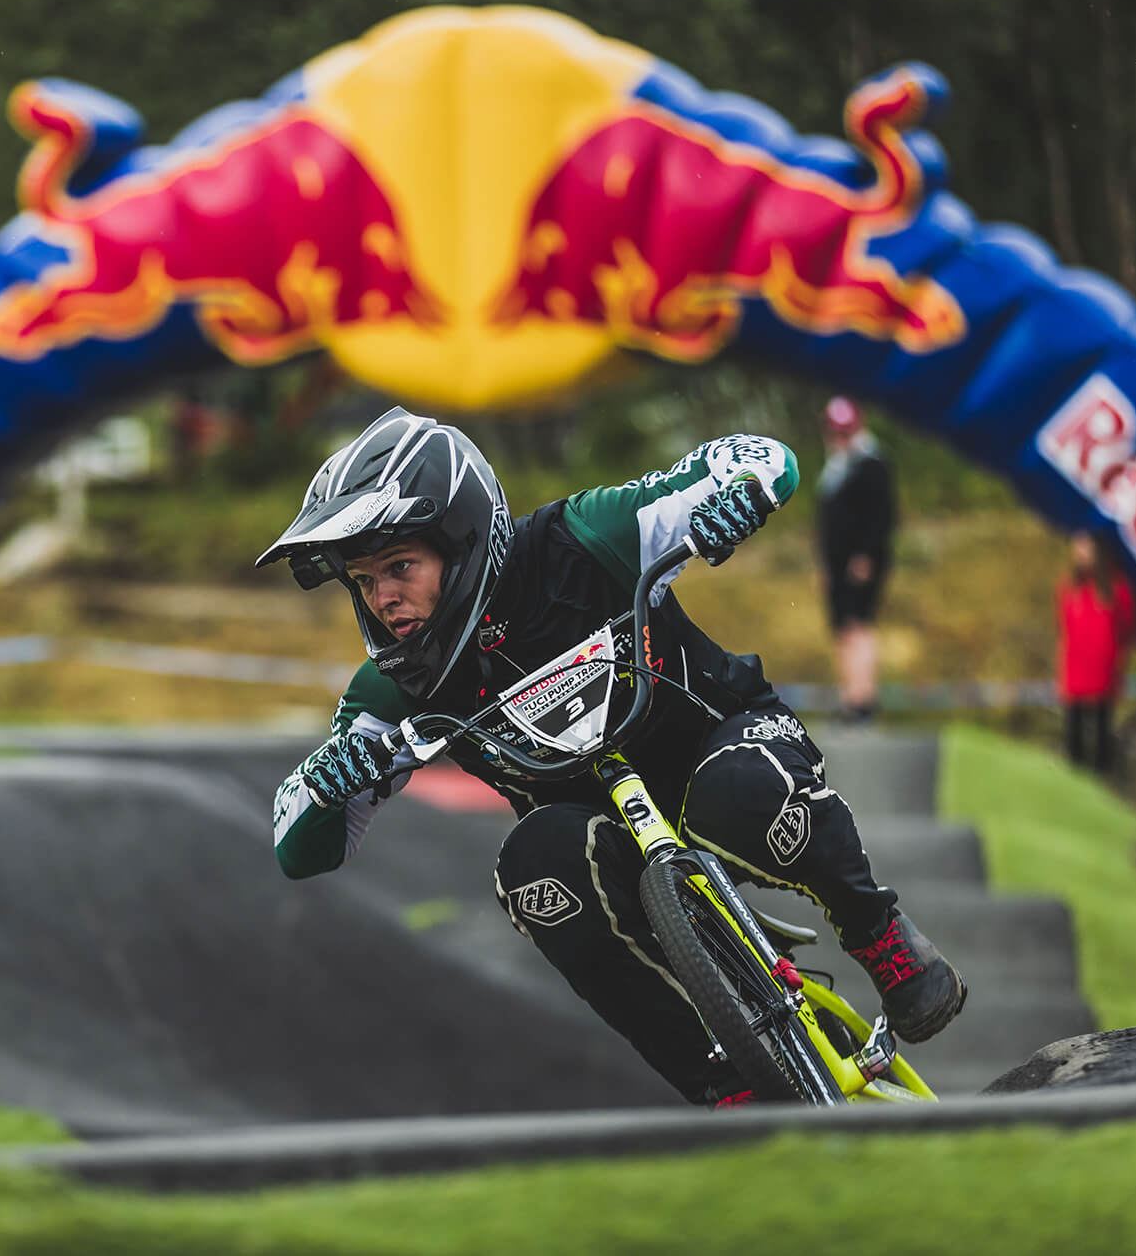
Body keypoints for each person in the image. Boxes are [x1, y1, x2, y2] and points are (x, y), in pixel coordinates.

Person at [255, 407, 967, 1108]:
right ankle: (724, 1087)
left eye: (400, 566)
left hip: (723, 743)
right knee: (531, 870)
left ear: (461, 538)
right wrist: (325, 784)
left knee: (735, 793)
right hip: (607, 846)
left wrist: (740, 501)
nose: (383, 598)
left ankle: (878, 935)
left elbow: (762, 456)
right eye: (365, 579)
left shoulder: (584, 537)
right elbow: (297, 846)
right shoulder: (390, 686)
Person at [814, 397, 897, 724]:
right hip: (836, 564)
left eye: (844, 432)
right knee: (841, 629)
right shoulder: (835, 468)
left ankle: (863, 699)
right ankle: (851, 695)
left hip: (860, 562)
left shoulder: (872, 464)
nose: (839, 439)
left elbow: (881, 517)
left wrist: (865, 556)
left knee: (857, 625)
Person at [1056, 531, 1136, 774]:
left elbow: (1127, 627)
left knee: (1103, 732)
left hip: (1104, 671)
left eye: (1086, 546)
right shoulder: (1069, 587)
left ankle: (1104, 782)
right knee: (1074, 733)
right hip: (1075, 671)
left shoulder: (1116, 587)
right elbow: (1062, 626)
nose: (1080, 552)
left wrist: (1116, 658)